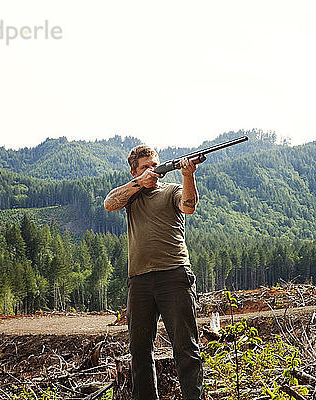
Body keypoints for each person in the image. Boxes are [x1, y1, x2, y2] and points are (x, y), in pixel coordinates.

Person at [104, 145, 204, 400]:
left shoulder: (171, 190)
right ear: (134, 171)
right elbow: (109, 203)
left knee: (185, 348)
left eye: (154, 165)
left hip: (174, 276)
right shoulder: (132, 195)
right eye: (145, 167)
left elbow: (189, 206)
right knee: (139, 351)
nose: (152, 170)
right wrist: (137, 184)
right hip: (139, 281)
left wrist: (188, 175)